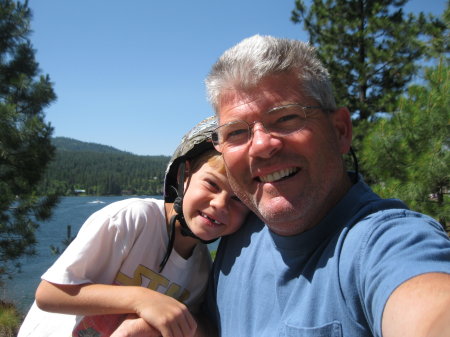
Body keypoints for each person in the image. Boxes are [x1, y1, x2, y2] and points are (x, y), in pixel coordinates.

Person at [203, 35, 450, 337]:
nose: (261, 146)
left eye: (286, 118)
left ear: (340, 131)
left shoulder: (385, 243)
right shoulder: (237, 235)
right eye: (237, 132)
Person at [18, 116, 249, 337]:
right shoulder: (133, 219)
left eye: (238, 198)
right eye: (211, 184)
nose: (220, 204)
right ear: (183, 175)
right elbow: (48, 294)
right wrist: (141, 299)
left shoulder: (200, 270)